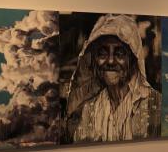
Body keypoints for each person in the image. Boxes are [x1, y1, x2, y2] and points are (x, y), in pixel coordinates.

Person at [64, 14, 161, 143]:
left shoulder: (155, 104)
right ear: (94, 60)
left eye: (119, 53)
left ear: (132, 60)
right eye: (102, 54)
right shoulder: (88, 109)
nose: (110, 61)